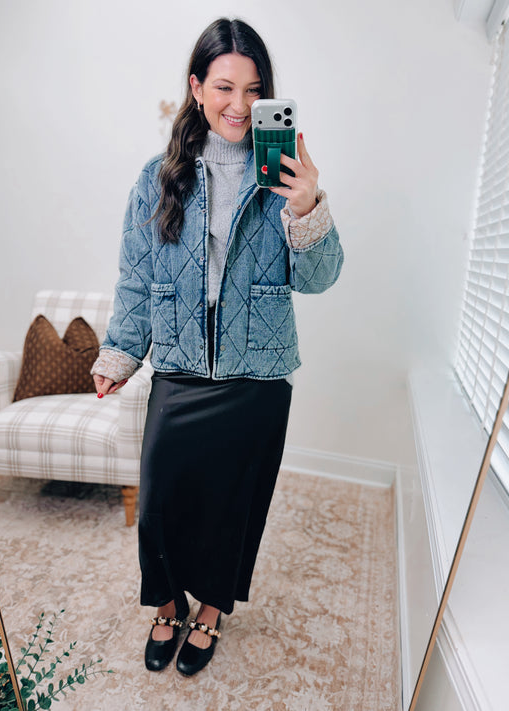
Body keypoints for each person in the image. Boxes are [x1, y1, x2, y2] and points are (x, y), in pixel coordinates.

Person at [91, 17, 343, 677]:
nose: (238, 104)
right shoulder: (158, 178)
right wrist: (120, 352)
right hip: (180, 369)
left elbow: (319, 280)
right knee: (160, 507)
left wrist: (307, 205)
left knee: (233, 509)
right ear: (196, 87)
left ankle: (208, 611)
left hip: (257, 376)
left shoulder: (283, 176)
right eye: (225, 86)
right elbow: (136, 277)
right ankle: (167, 603)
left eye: (253, 90)